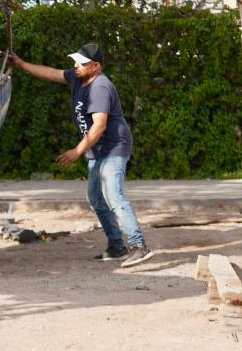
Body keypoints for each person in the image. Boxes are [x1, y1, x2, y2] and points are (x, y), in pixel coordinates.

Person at [10, 43, 155, 268]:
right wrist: (21, 64)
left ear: (96, 66)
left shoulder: (100, 87)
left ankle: (139, 246)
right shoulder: (78, 77)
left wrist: (77, 151)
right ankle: (117, 247)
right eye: (75, 61)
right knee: (96, 199)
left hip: (114, 147)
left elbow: (99, 127)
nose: (76, 66)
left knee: (113, 196)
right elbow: (51, 73)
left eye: (82, 63)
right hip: (96, 149)